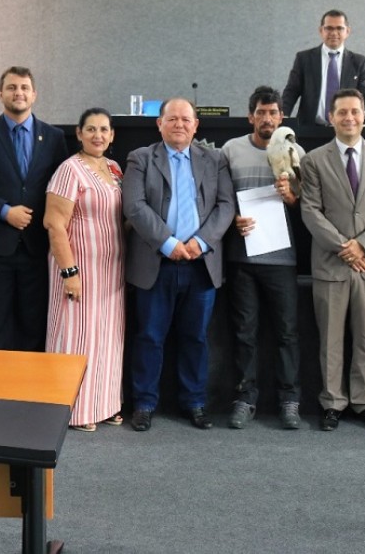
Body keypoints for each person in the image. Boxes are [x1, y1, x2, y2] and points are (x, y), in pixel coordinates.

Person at [123, 98, 235, 432]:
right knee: (150, 337)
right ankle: (143, 403)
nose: (179, 124)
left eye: (186, 119)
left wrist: (199, 243)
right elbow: (134, 206)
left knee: (196, 338)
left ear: (196, 125)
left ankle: (195, 402)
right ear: (159, 124)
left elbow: (226, 206)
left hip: (200, 265)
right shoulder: (141, 158)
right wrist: (169, 243)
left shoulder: (214, 160)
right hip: (155, 262)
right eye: (172, 119)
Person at [299, 88, 365, 432]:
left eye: (355, 112)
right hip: (331, 263)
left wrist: (364, 245)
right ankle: (332, 403)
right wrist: (345, 246)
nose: (349, 118)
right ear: (331, 117)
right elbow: (310, 210)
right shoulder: (314, 160)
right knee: (329, 339)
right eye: (342, 112)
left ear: (364, 116)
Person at [0, 66, 68, 351]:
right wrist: (5, 211)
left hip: (37, 249)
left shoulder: (54, 138)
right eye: (11, 87)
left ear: (34, 95)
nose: (18, 93)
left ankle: (28, 392)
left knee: (33, 325)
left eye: (23, 88)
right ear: (0, 94)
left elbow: (61, 190)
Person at [221, 86, 305, 430]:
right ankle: (245, 398)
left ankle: (289, 399)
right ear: (250, 115)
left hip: (281, 259)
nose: (267, 118)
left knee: (287, 333)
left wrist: (292, 197)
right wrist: (232, 221)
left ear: (281, 117)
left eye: (273, 112)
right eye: (261, 112)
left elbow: (308, 204)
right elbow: (219, 199)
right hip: (242, 260)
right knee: (244, 333)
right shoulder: (231, 150)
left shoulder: (295, 149)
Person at [43, 107, 126, 431]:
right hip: (78, 271)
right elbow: (54, 224)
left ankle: (103, 405)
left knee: (105, 340)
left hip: (111, 273)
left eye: (104, 130)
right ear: (78, 133)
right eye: (90, 129)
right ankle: (74, 411)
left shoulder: (115, 168)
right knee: (75, 340)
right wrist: (69, 272)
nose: (98, 135)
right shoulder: (69, 170)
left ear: (112, 135)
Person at [282, 9, 365, 126]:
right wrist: (283, 118)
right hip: (309, 128)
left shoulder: (359, 62)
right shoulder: (304, 59)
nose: (334, 33)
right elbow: (291, 91)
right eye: (329, 28)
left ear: (347, 31)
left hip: (346, 128)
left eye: (339, 28)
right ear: (321, 31)